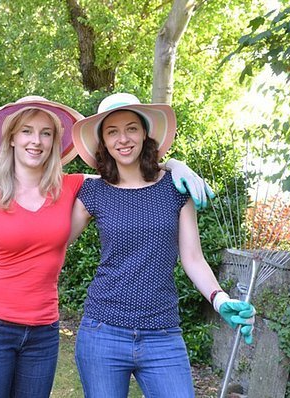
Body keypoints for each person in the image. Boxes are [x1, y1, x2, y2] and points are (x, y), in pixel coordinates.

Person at [0, 96, 213, 398]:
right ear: (11, 138)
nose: (35, 141)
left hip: (43, 331)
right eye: (26, 131)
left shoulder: (73, 187)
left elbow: (132, 175)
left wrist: (176, 166)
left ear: (55, 142)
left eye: (45, 133)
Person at [67, 93, 256, 398]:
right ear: (103, 141)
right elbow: (50, 241)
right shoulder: (94, 193)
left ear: (145, 134)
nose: (123, 138)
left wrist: (219, 300)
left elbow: (193, 259)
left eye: (131, 128)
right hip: (102, 332)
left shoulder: (176, 187)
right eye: (112, 131)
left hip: (162, 335)